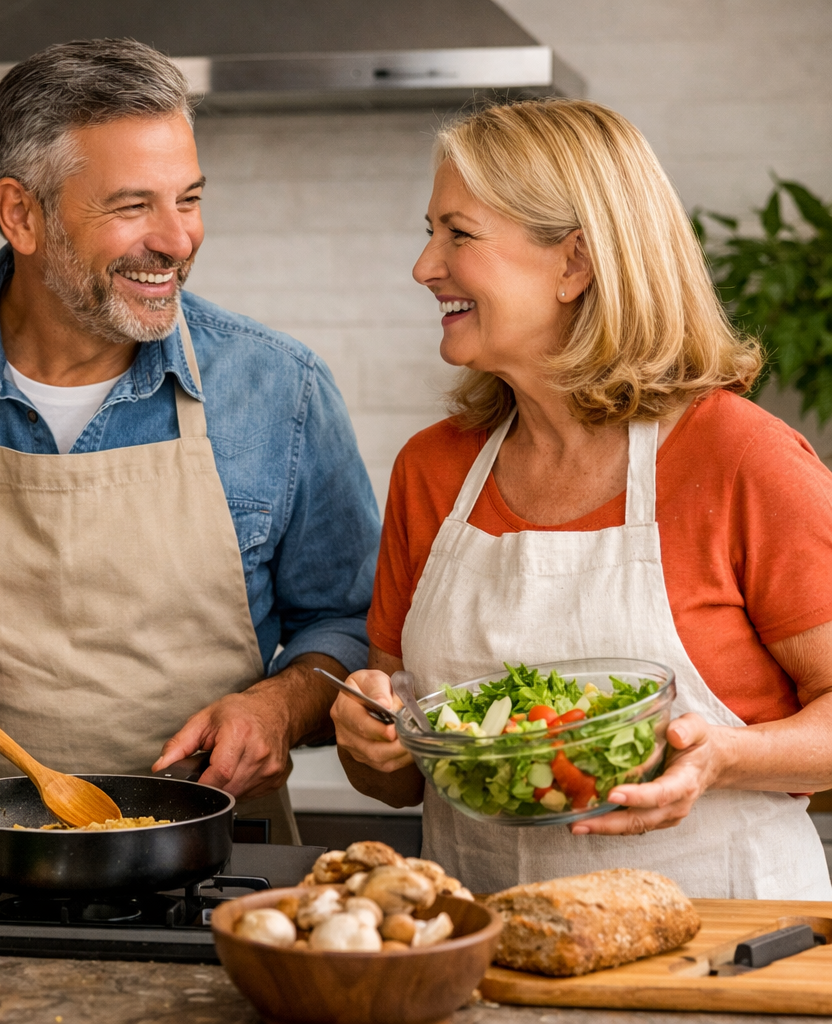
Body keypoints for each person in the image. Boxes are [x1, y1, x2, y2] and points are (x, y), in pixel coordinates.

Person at [0, 39, 379, 852]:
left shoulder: (281, 390)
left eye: (189, 198)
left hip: (210, 875)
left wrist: (279, 706)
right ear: (20, 213)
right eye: (133, 207)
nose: (177, 240)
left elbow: (345, 625)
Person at [333, 98, 832, 899]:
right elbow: (400, 778)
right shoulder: (432, 472)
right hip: (485, 947)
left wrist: (727, 756)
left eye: (458, 233)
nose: (425, 265)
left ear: (575, 263)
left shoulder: (739, 457)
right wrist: (371, 737)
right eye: (429, 232)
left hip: (722, 948)